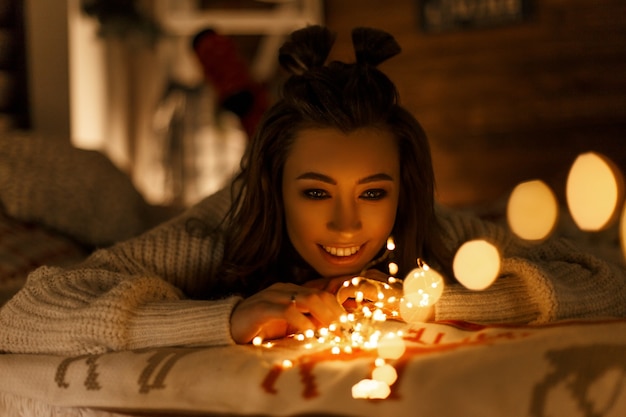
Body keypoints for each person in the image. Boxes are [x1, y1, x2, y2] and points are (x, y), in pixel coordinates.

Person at [1, 26, 624, 356]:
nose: (349, 225)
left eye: (373, 193)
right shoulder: (218, 229)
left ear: (403, 191)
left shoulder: (434, 227)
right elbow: (24, 317)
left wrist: (419, 304)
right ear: (275, 189)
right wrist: (228, 319)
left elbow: (604, 278)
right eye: (318, 194)